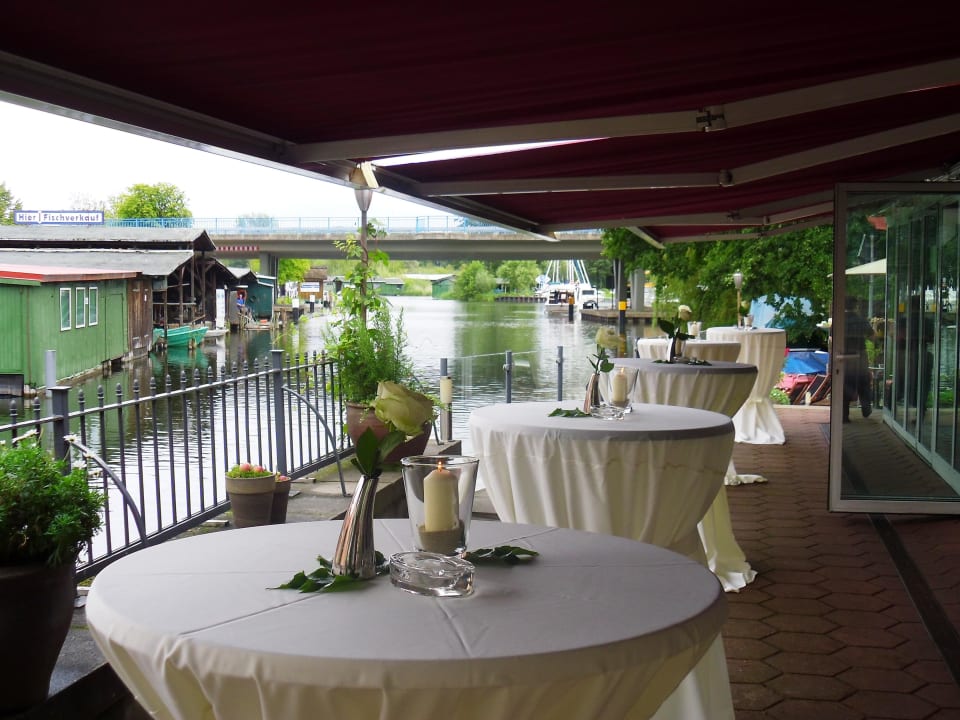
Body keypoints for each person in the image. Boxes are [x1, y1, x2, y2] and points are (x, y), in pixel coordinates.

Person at [841, 296, 875, 422]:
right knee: (863, 381)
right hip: (860, 354)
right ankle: (866, 407)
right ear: (856, 306)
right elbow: (872, 336)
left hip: (844, 356)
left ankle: (844, 416)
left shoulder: (840, 320)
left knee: (845, 383)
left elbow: (832, 339)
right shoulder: (861, 320)